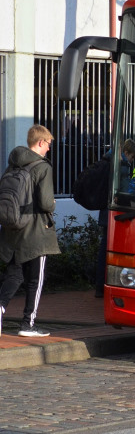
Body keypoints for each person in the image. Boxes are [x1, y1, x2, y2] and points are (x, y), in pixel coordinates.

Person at [0, 125, 60, 337]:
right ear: (41, 143)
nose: (49, 149)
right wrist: (52, 203)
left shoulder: (13, 165)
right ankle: (28, 324)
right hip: (36, 233)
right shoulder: (42, 167)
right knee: (36, 280)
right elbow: (45, 203)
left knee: (14, 275)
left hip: (14, 230)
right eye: (49, 144)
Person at [95, 139, 135, 297]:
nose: (131, 160)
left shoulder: (107, 159)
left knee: (103, 248)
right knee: (112, 249)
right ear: (127, 153)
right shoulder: (122, 166)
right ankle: (104, 284)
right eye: (132, 157)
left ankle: (99, 284)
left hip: (104, 211)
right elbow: (125, 191)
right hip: (114, 213)